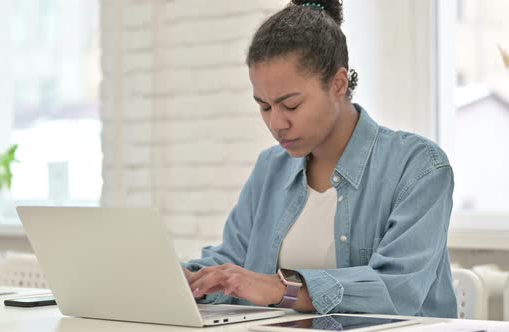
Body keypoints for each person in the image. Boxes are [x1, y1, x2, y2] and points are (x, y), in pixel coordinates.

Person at [182, 0, 457, 318]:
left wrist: (280, 288)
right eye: (265, 106)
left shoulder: (419, 168)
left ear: (338, 84)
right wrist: (180, 279)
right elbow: (232, 260)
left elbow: (397, 290)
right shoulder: (270, 168)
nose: (276, 124)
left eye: (291, 105)